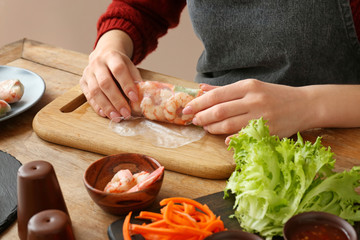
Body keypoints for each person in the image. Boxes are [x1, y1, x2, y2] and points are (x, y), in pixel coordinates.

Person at [80, 0, 360, 143]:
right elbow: (140, 8)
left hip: (333, 137)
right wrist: (109, 48)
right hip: (210, 130)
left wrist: (307, 106)